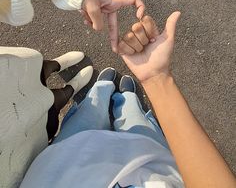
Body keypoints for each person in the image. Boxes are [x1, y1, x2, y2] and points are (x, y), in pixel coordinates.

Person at [20, 14, 236, 188]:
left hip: (65, 159)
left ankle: (102, 91)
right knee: (133, 118)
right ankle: (126, 99)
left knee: (90, 112)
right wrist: (156, 79)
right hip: (150, 159)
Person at [0, 0, 145, 187]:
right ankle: (73, 88)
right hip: (18, 164)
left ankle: (57, 66)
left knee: (33, 71)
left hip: (5, 80)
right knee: (49, 110)